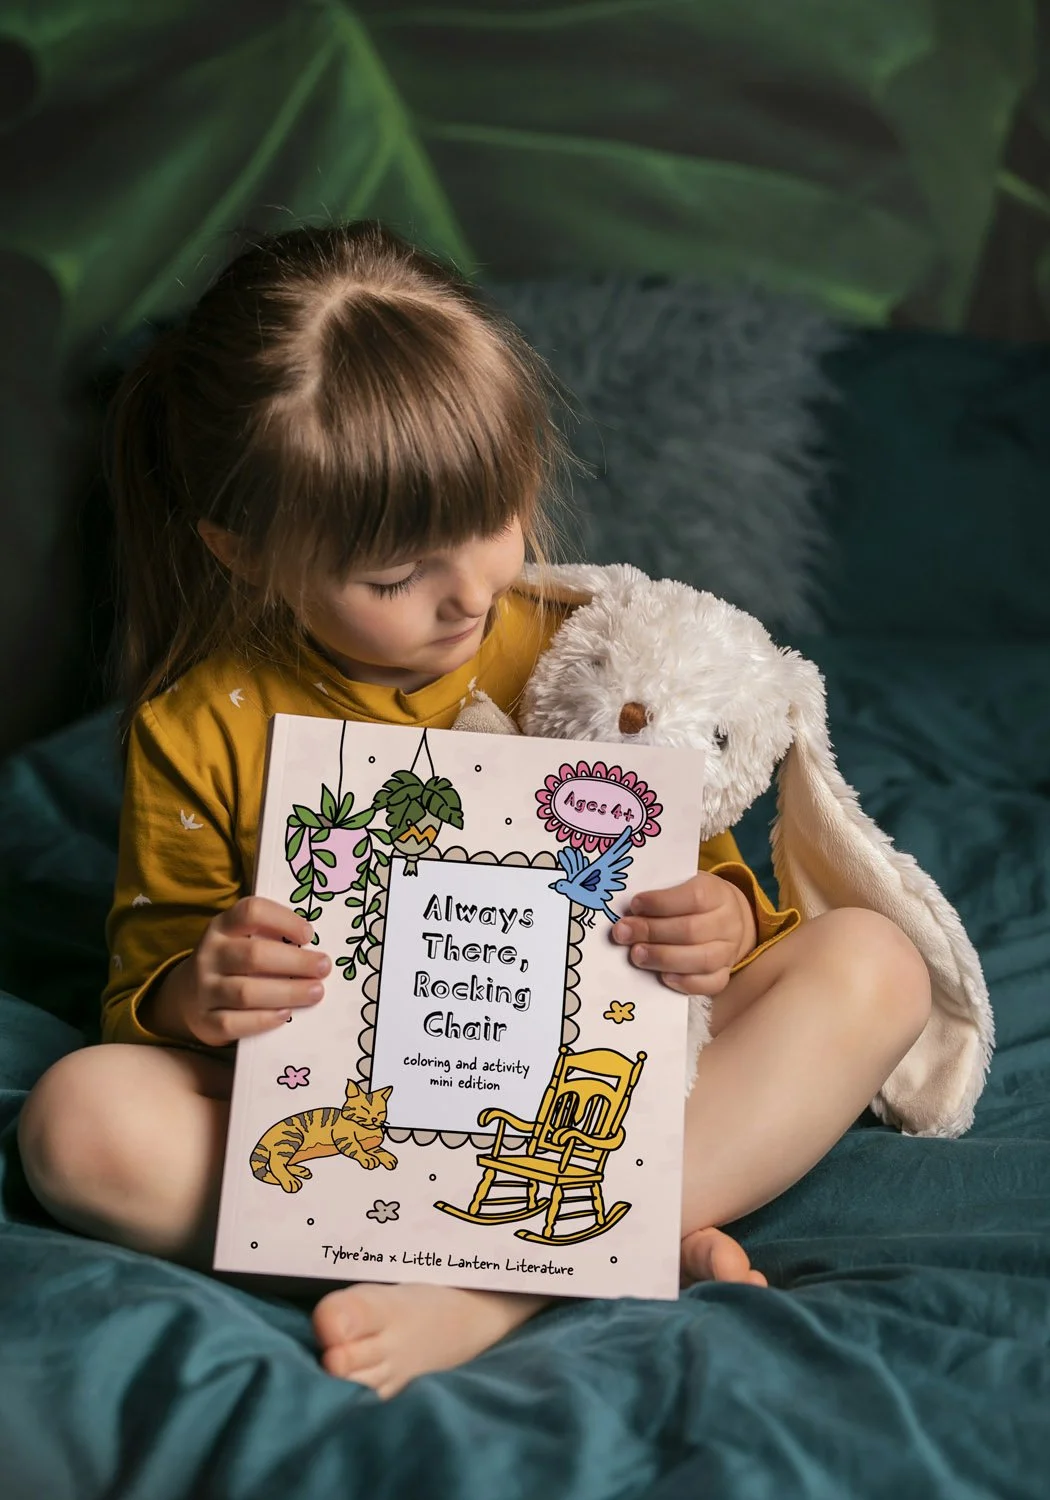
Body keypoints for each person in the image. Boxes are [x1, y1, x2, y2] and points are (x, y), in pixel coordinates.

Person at [17, 221, 932, 1400]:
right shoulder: (201, 723)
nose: (466, 595)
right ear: (244, 555)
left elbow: (695, 873)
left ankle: (506, 1283)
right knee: (76, 1125)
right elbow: (144, 993)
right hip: (368, 1119)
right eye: (395, 578)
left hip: (591, 1105)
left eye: (494, 520)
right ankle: (620, 1239)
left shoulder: (578, 649)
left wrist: (719, 921)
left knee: (875, 963)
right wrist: (203, 985)